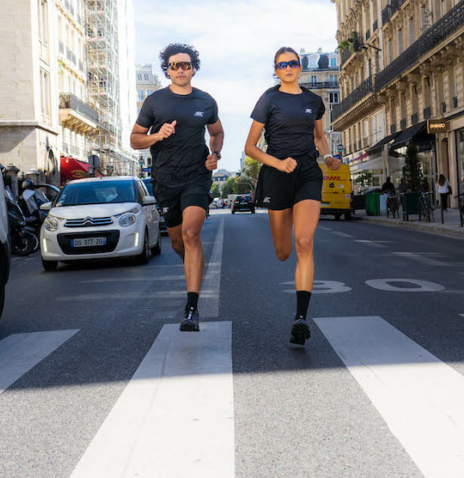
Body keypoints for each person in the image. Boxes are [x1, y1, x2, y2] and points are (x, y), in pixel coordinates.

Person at [244, 46, 340, 348]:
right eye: (282, 64)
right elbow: (250, 147)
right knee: (284, 250)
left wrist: (328, 157)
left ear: (300, 67)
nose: (288, 67)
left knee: (304, 242)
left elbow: (318, 137)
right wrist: (277, 163)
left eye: (293, 63)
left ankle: (300, 318)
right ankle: (299, 312)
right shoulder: (269, 99)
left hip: (309, 172)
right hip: (277, 175)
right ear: (276, 69)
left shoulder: (314, 101)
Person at [130, 43, 224, 332]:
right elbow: (135, 139)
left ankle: (192, 308)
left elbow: (217, 132)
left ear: (193, 68)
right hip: (165, 179)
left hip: (196, 174)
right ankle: (192, 265)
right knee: (178, 242)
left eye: (186, 65)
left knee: (191, 232)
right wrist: (157, 136)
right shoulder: (154, 102)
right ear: (167, 70)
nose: (181, 69)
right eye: (175, 65)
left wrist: (215, 154)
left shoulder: (206, 101)